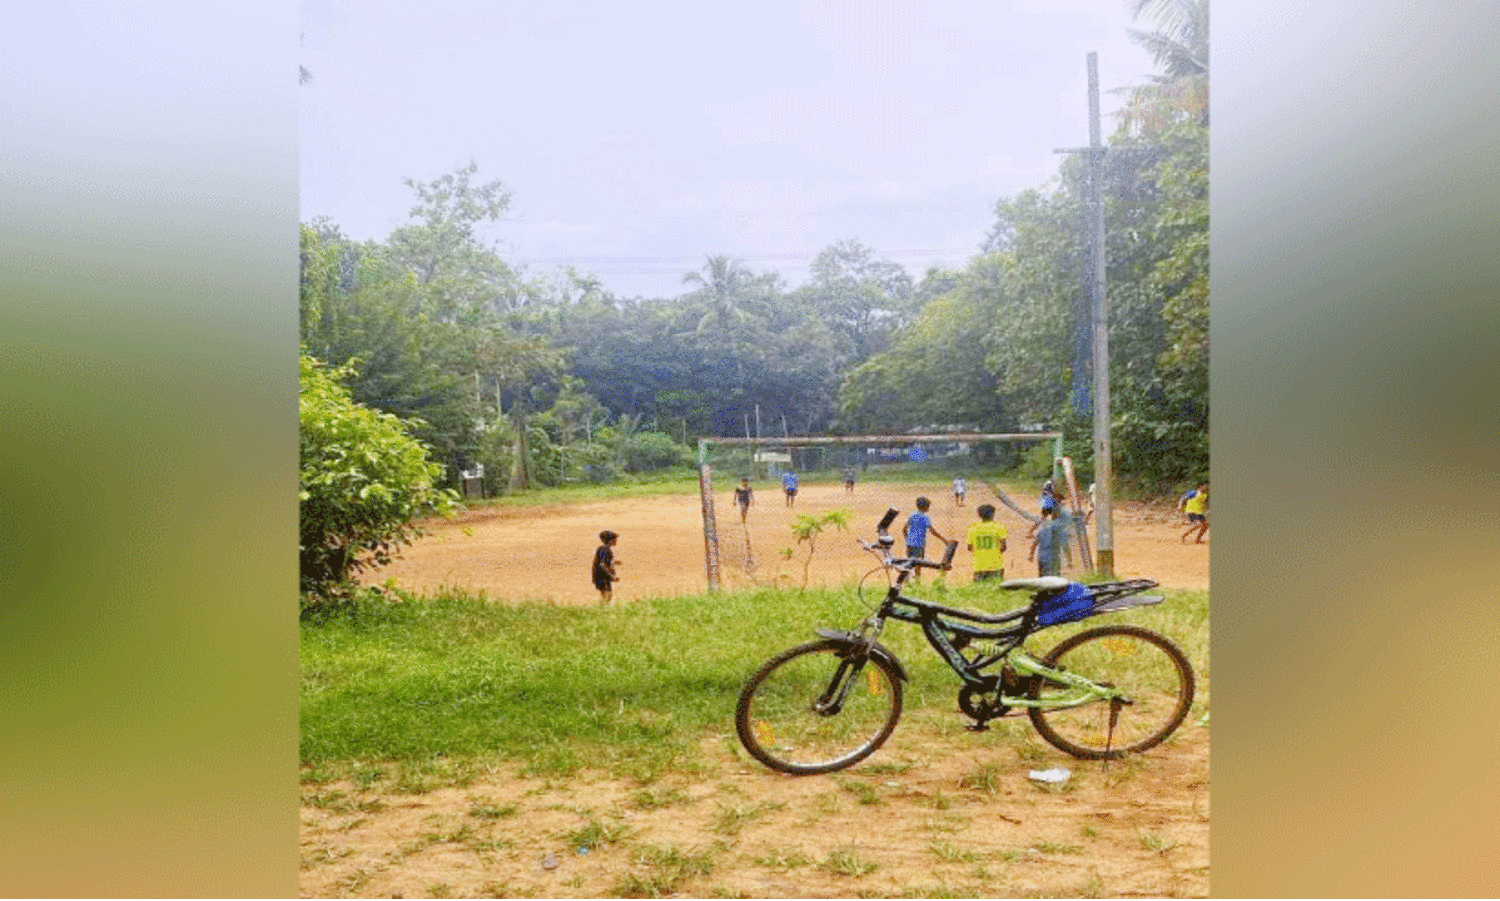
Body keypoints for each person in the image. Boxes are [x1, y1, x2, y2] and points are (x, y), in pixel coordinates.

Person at [903, 496, 950, 582]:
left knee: (909, 561)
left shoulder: (912, 515)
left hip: (910, 543)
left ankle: (906, 579)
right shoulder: (926, 518)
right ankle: (917, 580)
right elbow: (933, 531)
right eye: (928, 506)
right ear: (925, 507)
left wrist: (907, 539)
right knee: (918, 563)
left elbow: (904, 529)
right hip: (920, 544)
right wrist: (944, 540)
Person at [965, 503, 1007, 581]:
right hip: (996, 564)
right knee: (996, 589)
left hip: (979, 565)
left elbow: (969, 547)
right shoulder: (999, 527)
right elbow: (1003, 547)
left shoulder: (973, 528)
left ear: (979, 515)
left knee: (979, 590)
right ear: (993, 515)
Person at [1028, 509, 1064, 577]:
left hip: (1042, 558)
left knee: (1041, 576)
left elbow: (1034, 543)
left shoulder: (1041, 531)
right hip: (1052, 558)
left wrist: (1031, 554)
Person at [592, 530, 621, 604]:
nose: (616, 541)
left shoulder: (603, 549)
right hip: (602, 577)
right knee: (607, 596)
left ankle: (603, 610)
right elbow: (602, 565)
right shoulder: (605, 549)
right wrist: (612, 576)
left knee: (607, 596)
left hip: (602, 577)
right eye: (614, 539)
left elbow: (605, 561)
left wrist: (614, 562)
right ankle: (602, 610)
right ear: (610, 540)